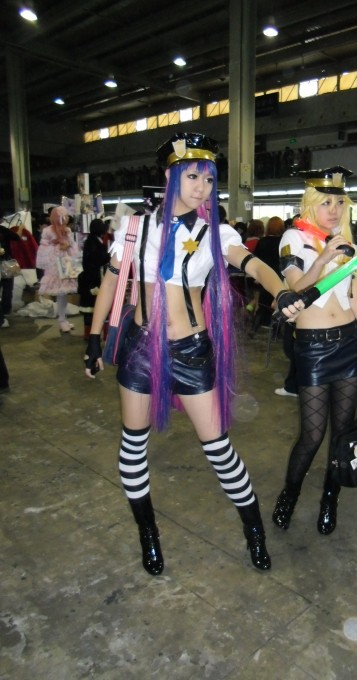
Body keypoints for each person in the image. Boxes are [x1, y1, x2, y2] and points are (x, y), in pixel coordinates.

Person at [83, 132, 303, 576]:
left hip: (191, 351)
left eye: (208, 178)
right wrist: (93, 337)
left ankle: (255, 532)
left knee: (219, 449)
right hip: (140, 348)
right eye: (192, 176)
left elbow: (253, 264)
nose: (202, 187)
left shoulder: (216, 233)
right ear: (170, 176)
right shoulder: (135, 229)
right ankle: (148, 534)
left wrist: (281, 291)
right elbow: (111, 281)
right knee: (133, 446)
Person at [271, 166, 357, 536]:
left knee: (342, 434)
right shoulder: (293, 238)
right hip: (313, 348)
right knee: (312, 435)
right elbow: (295, 289)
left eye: (339, 203)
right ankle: (290, 494)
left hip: (349, 343)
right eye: (326, 203)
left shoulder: (347, 243)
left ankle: (331, 499)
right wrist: (322, 258)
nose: (334, 210)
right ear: (310, 204)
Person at [36, 206, 80, 333]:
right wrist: (58, 247)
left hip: (66, 262)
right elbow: (43, 249)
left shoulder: (67, 230)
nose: (67, 218)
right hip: (55, 265)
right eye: (64, 216)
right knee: (61, 294)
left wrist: (68, 246)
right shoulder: (47, 231)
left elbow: (72, 244)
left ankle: (63, 319)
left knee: (64, 294)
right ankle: (61, 320)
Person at [78, 218, 110, 340]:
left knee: (91, 307)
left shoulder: (91, 240)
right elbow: (97, 259)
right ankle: (97, 334)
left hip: (91, 279)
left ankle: (91, 333)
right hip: (93, 280)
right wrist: (109, 256)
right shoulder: (94, 242)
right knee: (95, 306)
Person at [0, 219, 21, 329]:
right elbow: (17, 237)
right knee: (8, 287)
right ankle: (6, 310)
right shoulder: (3, 230)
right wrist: (21, 228)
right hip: (7, 264)